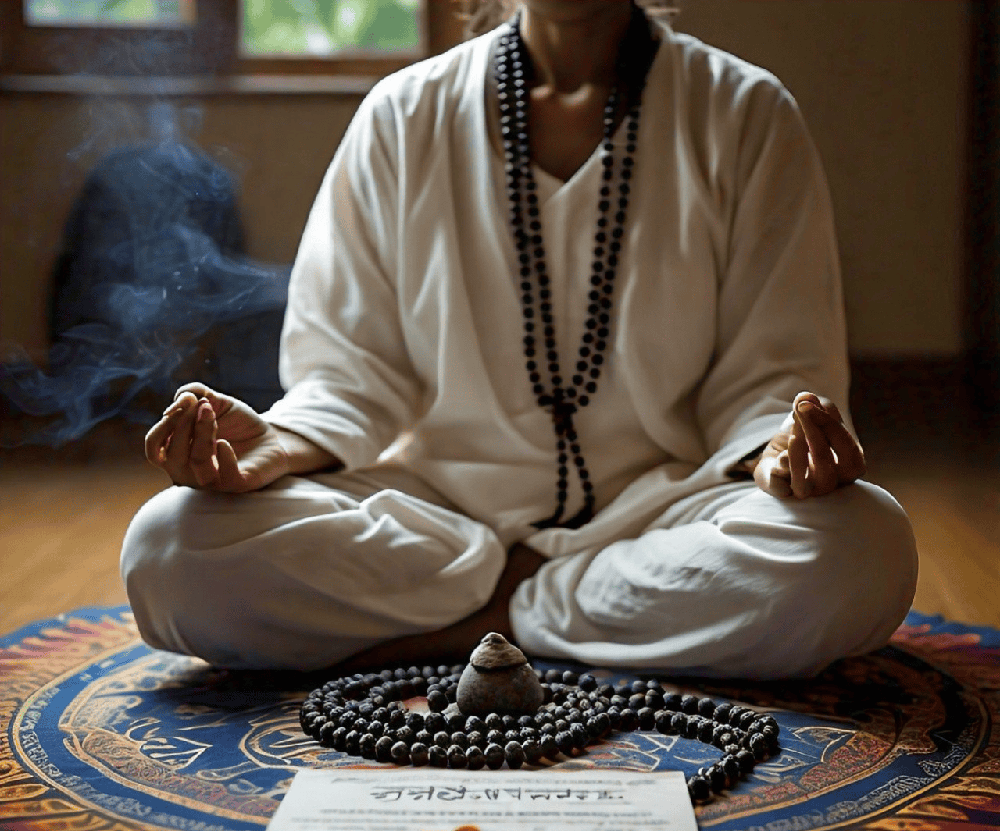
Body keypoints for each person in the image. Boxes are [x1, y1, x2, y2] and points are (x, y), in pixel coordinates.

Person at [121, 0, 918, 679]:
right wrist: (283, 442)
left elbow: (771, 376)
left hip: (664, 516)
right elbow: (349, 373)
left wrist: (779, 451)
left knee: (865, 548)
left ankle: (478, 625)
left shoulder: (744, 111)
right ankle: (572, 620)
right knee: (167, 547)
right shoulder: (403, 114)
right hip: (432, 521)